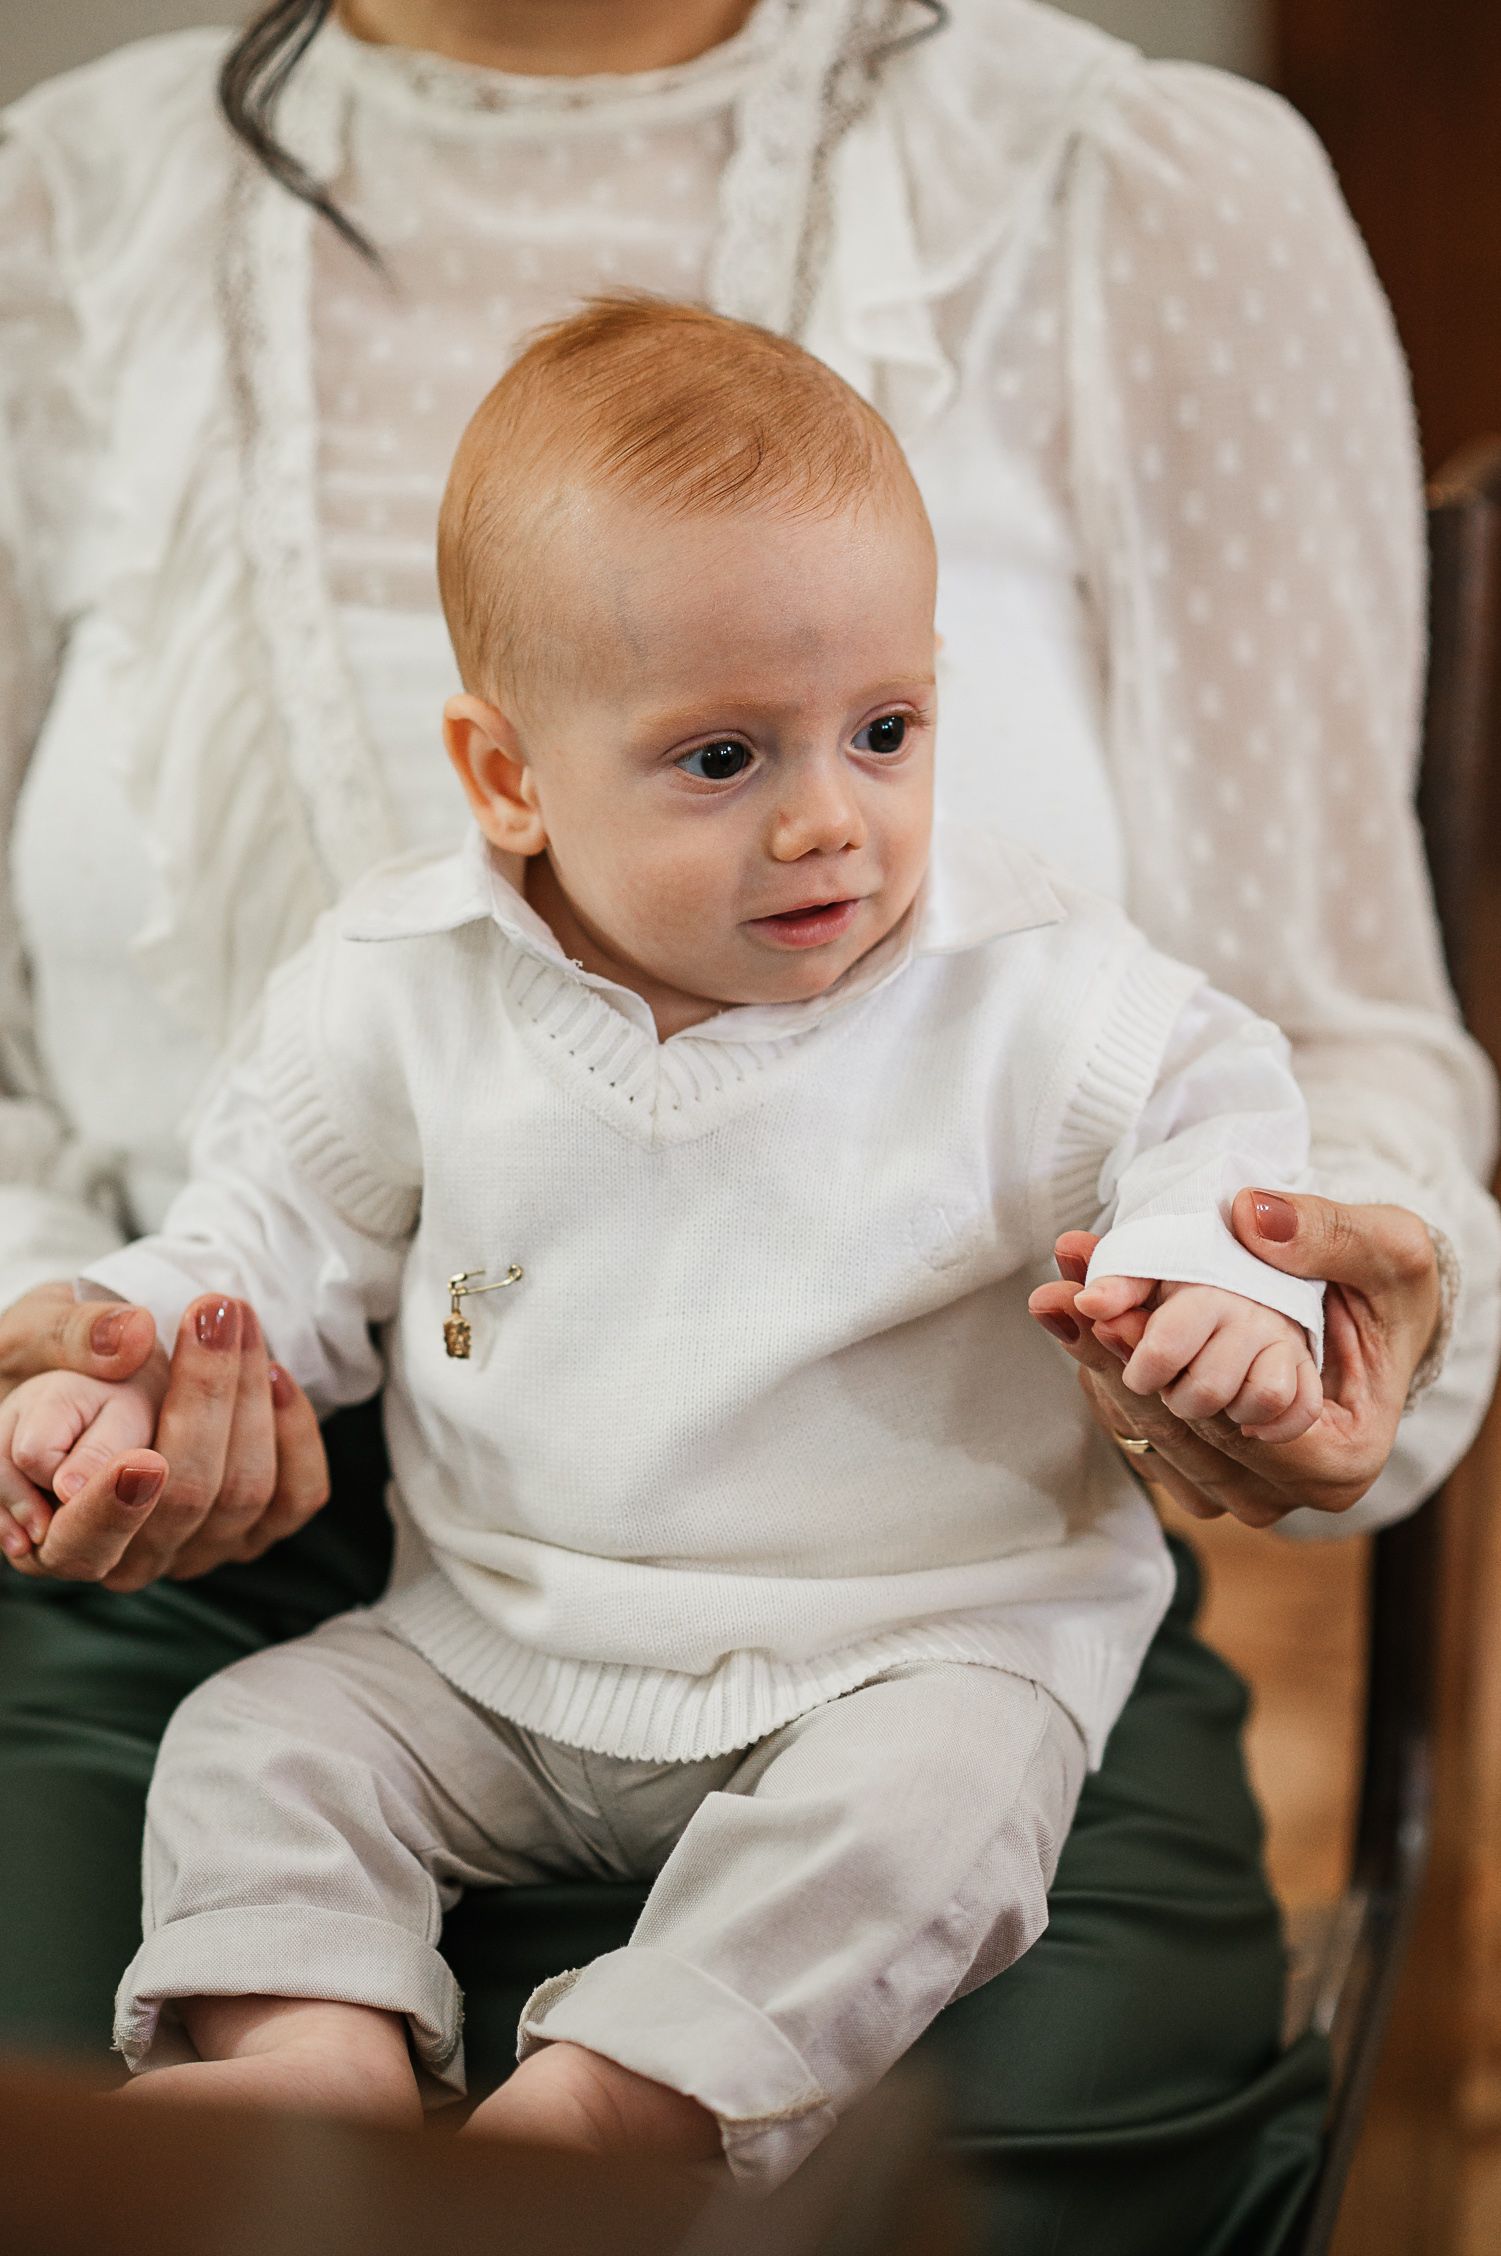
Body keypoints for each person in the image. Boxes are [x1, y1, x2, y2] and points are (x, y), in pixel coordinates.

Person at [0, 0, 1495, 2244]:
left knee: (928, 1810)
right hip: (469, 1608)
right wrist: (116, 1356)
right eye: (725, 758)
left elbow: (1233, 1105)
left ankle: (625, 2099)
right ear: (505, 778)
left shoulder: (1031, 974)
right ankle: (301, 2047)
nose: (831, 823)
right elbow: (258, 1239)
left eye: (887, 729)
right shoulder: (402, 977)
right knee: (265, 1750)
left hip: (913, 1619)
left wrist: (1231, 1291)